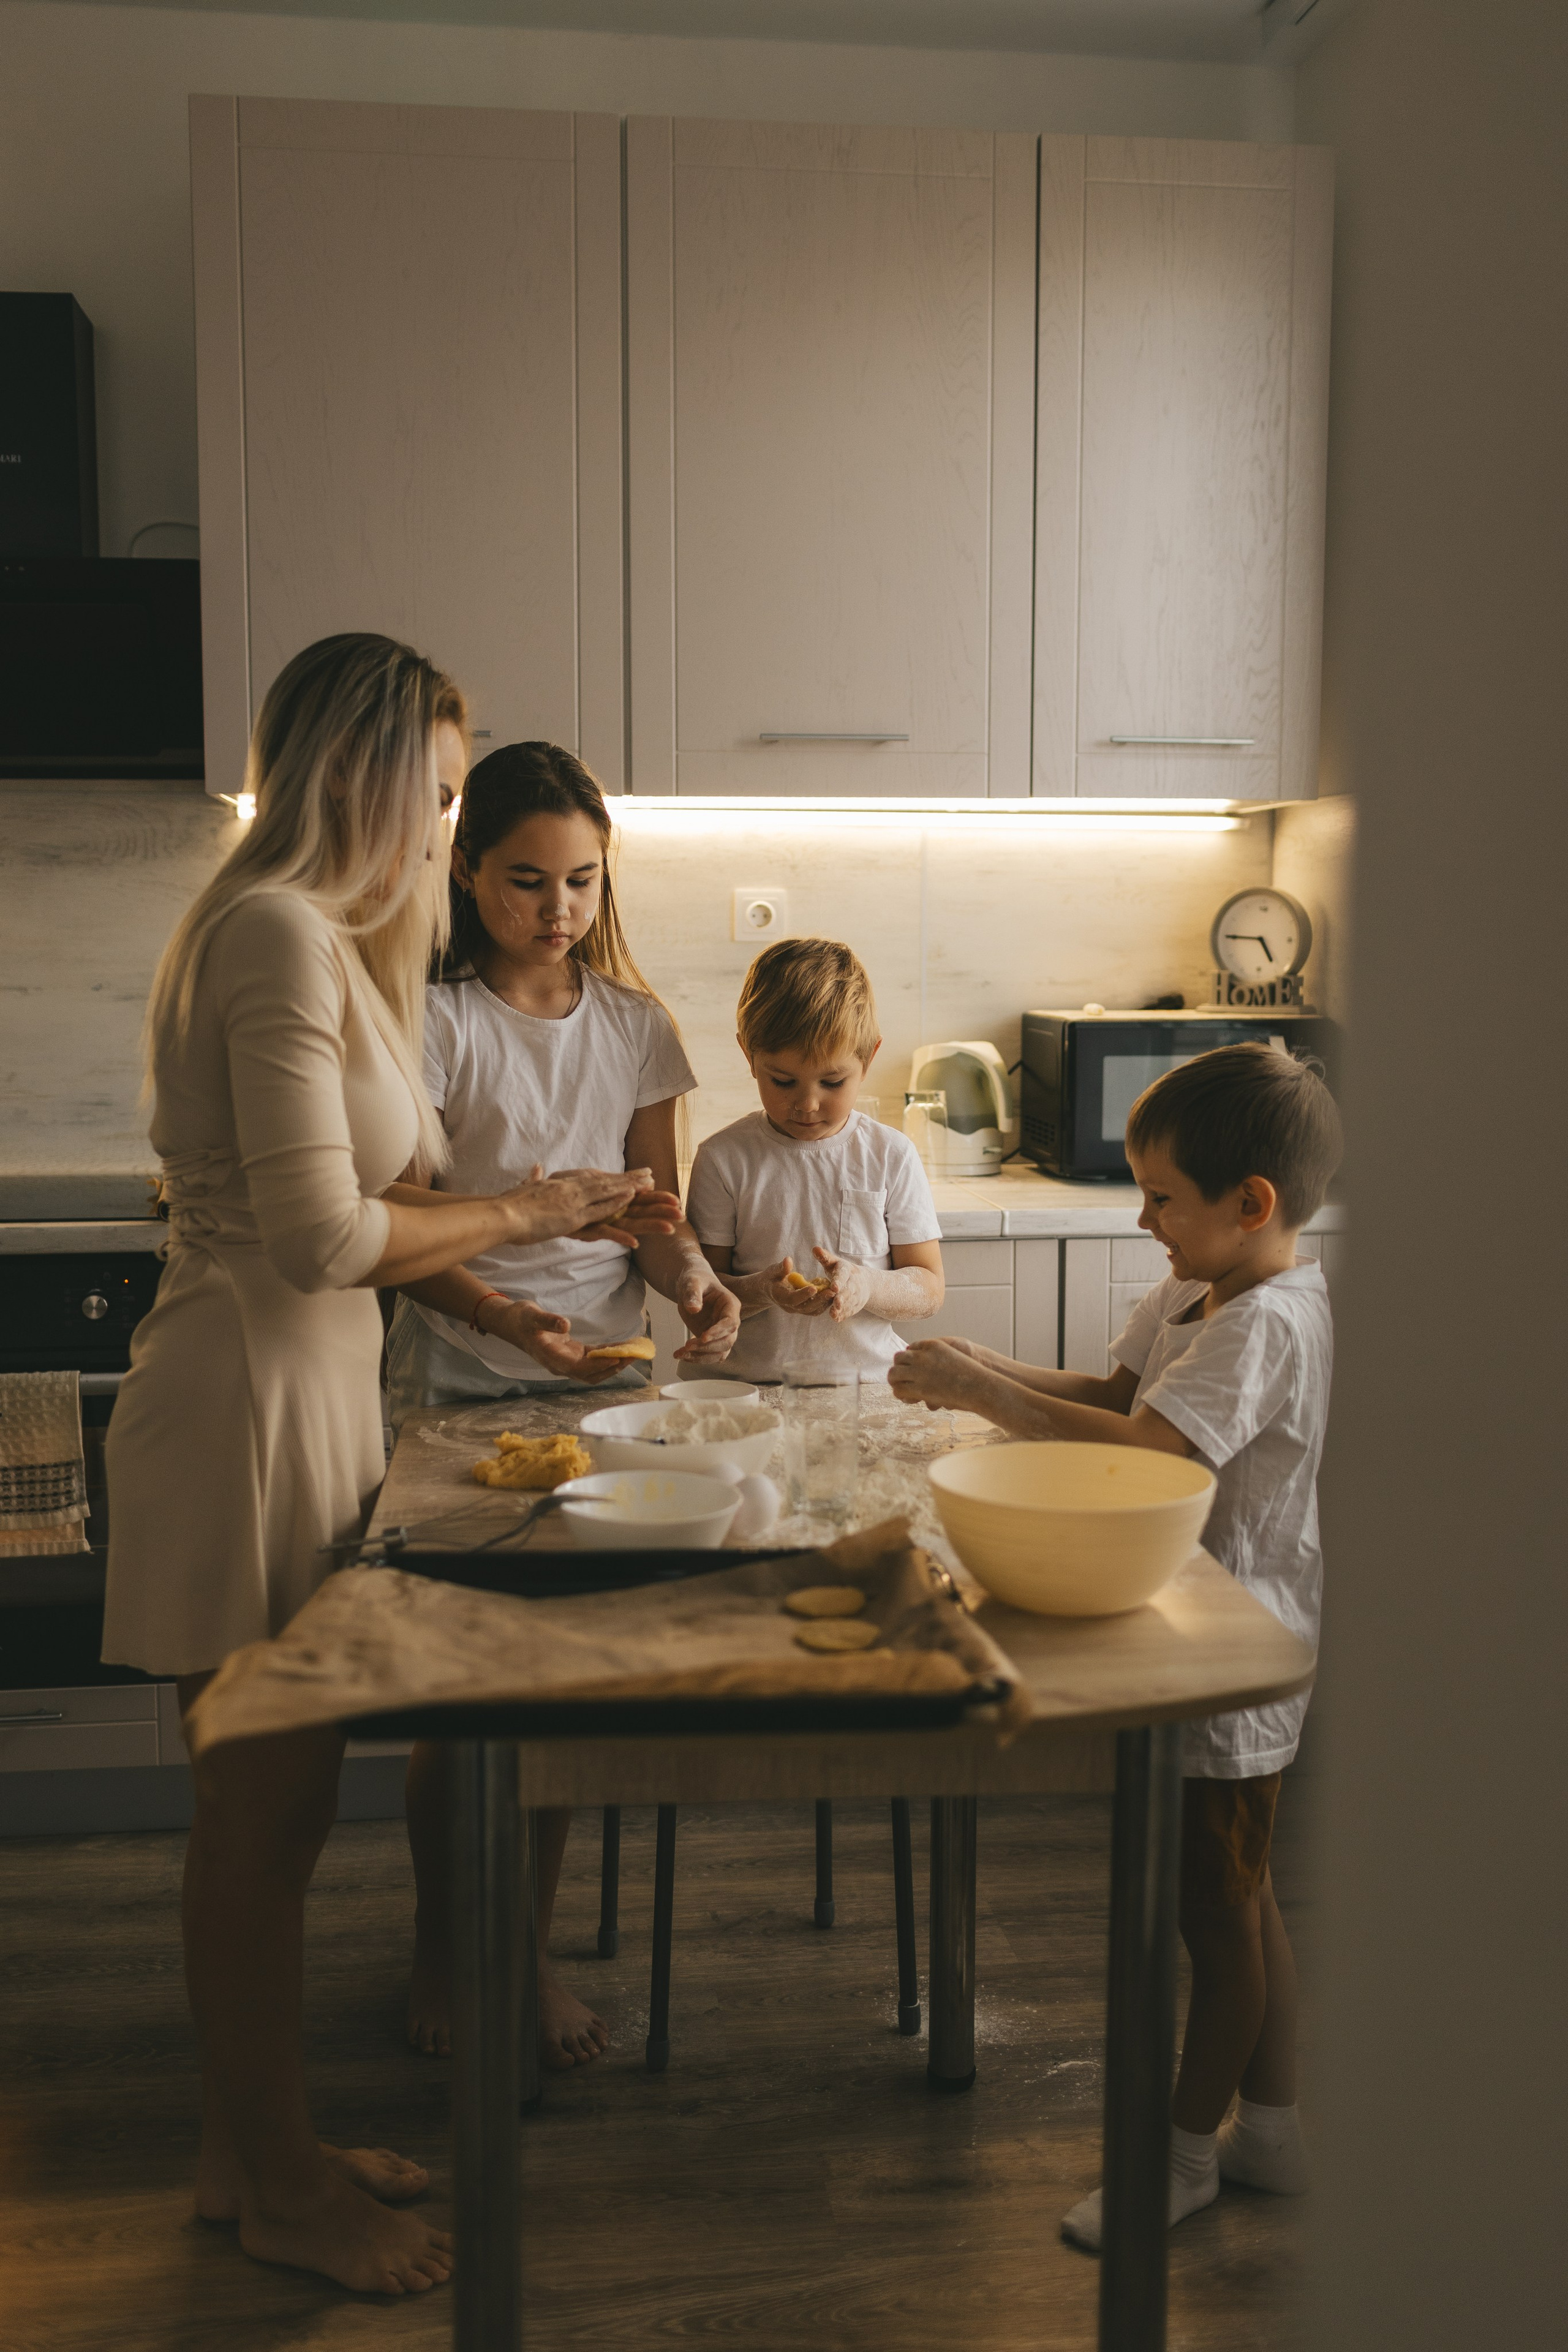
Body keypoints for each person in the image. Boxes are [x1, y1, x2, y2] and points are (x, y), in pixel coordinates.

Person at [102, 634, 658, 2296]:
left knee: (273, 1816)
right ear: (364, 780)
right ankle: (280, 2188)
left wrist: (518, 1286)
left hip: (311, 1403)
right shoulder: (272, 933)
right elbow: (324, 1229)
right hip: (245, 1416)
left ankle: (245, 2154)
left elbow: (376, 1212)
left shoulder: (322, 941)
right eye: (430, 793)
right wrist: (539, 1211)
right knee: (258, 1822)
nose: (439, 824)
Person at [889, 1042, 1341, 2250]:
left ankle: (1181, 2160)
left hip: (1231, 1665)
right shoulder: (1199, 1288)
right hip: (1182, 1637)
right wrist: (976, 1366)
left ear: (1249, 1206)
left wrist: (981, 1398)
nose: (1140, 1219)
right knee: (1243, 1903)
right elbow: (1106, 1389)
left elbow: (1152, 1455)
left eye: (1159, 1200)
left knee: (1215, 1915)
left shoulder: (1271, 1323)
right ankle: (1277, 2134)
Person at [383, 740, 741, 2070]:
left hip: (601, 1388)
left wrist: (696, 1283)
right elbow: (406, 1224)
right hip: (457, 1378)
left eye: (581, 882)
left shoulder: (637, 1026)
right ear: (468, 872)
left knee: (559, 1698)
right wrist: (503, 1311)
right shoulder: (433, 1021)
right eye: (526, 881)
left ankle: (523, 1951)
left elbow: (656, 1217)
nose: (557, 910)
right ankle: (436, 1944)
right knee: (453, 1696)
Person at [684, 937, 945, 1385]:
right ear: (749, 1056)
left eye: (832, 1081)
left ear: (869, 1058)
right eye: (783, 1081)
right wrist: (762, 1290)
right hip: (746, 1390)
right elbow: (703, 1297)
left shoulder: (890, 1155)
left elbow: (929, 1289)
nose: (807, 1103)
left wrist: (867, 1285)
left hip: (866, 1389)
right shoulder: (723, 1159)